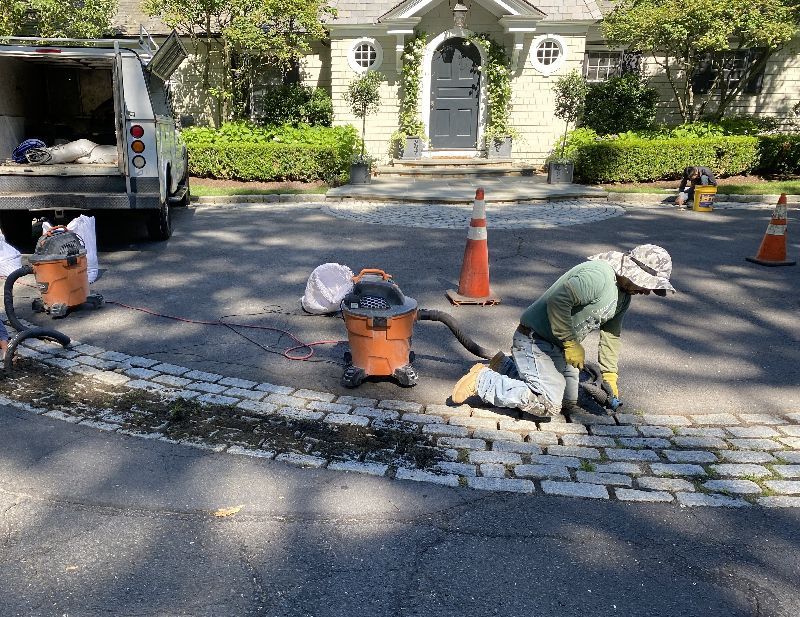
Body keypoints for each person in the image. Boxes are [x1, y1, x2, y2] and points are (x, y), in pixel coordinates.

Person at [451, 244, 676, 417]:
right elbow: (558, 302)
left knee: (569, 402)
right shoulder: (598, 276)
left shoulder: (624, 297)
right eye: (648, 286)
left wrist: (609, 375)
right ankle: (483, 381)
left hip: (557, 348)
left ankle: (503, 365)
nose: (648, 292)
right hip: (534, 340)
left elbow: (611, 336)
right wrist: (570, 342)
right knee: (548, 404)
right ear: (633, 272)